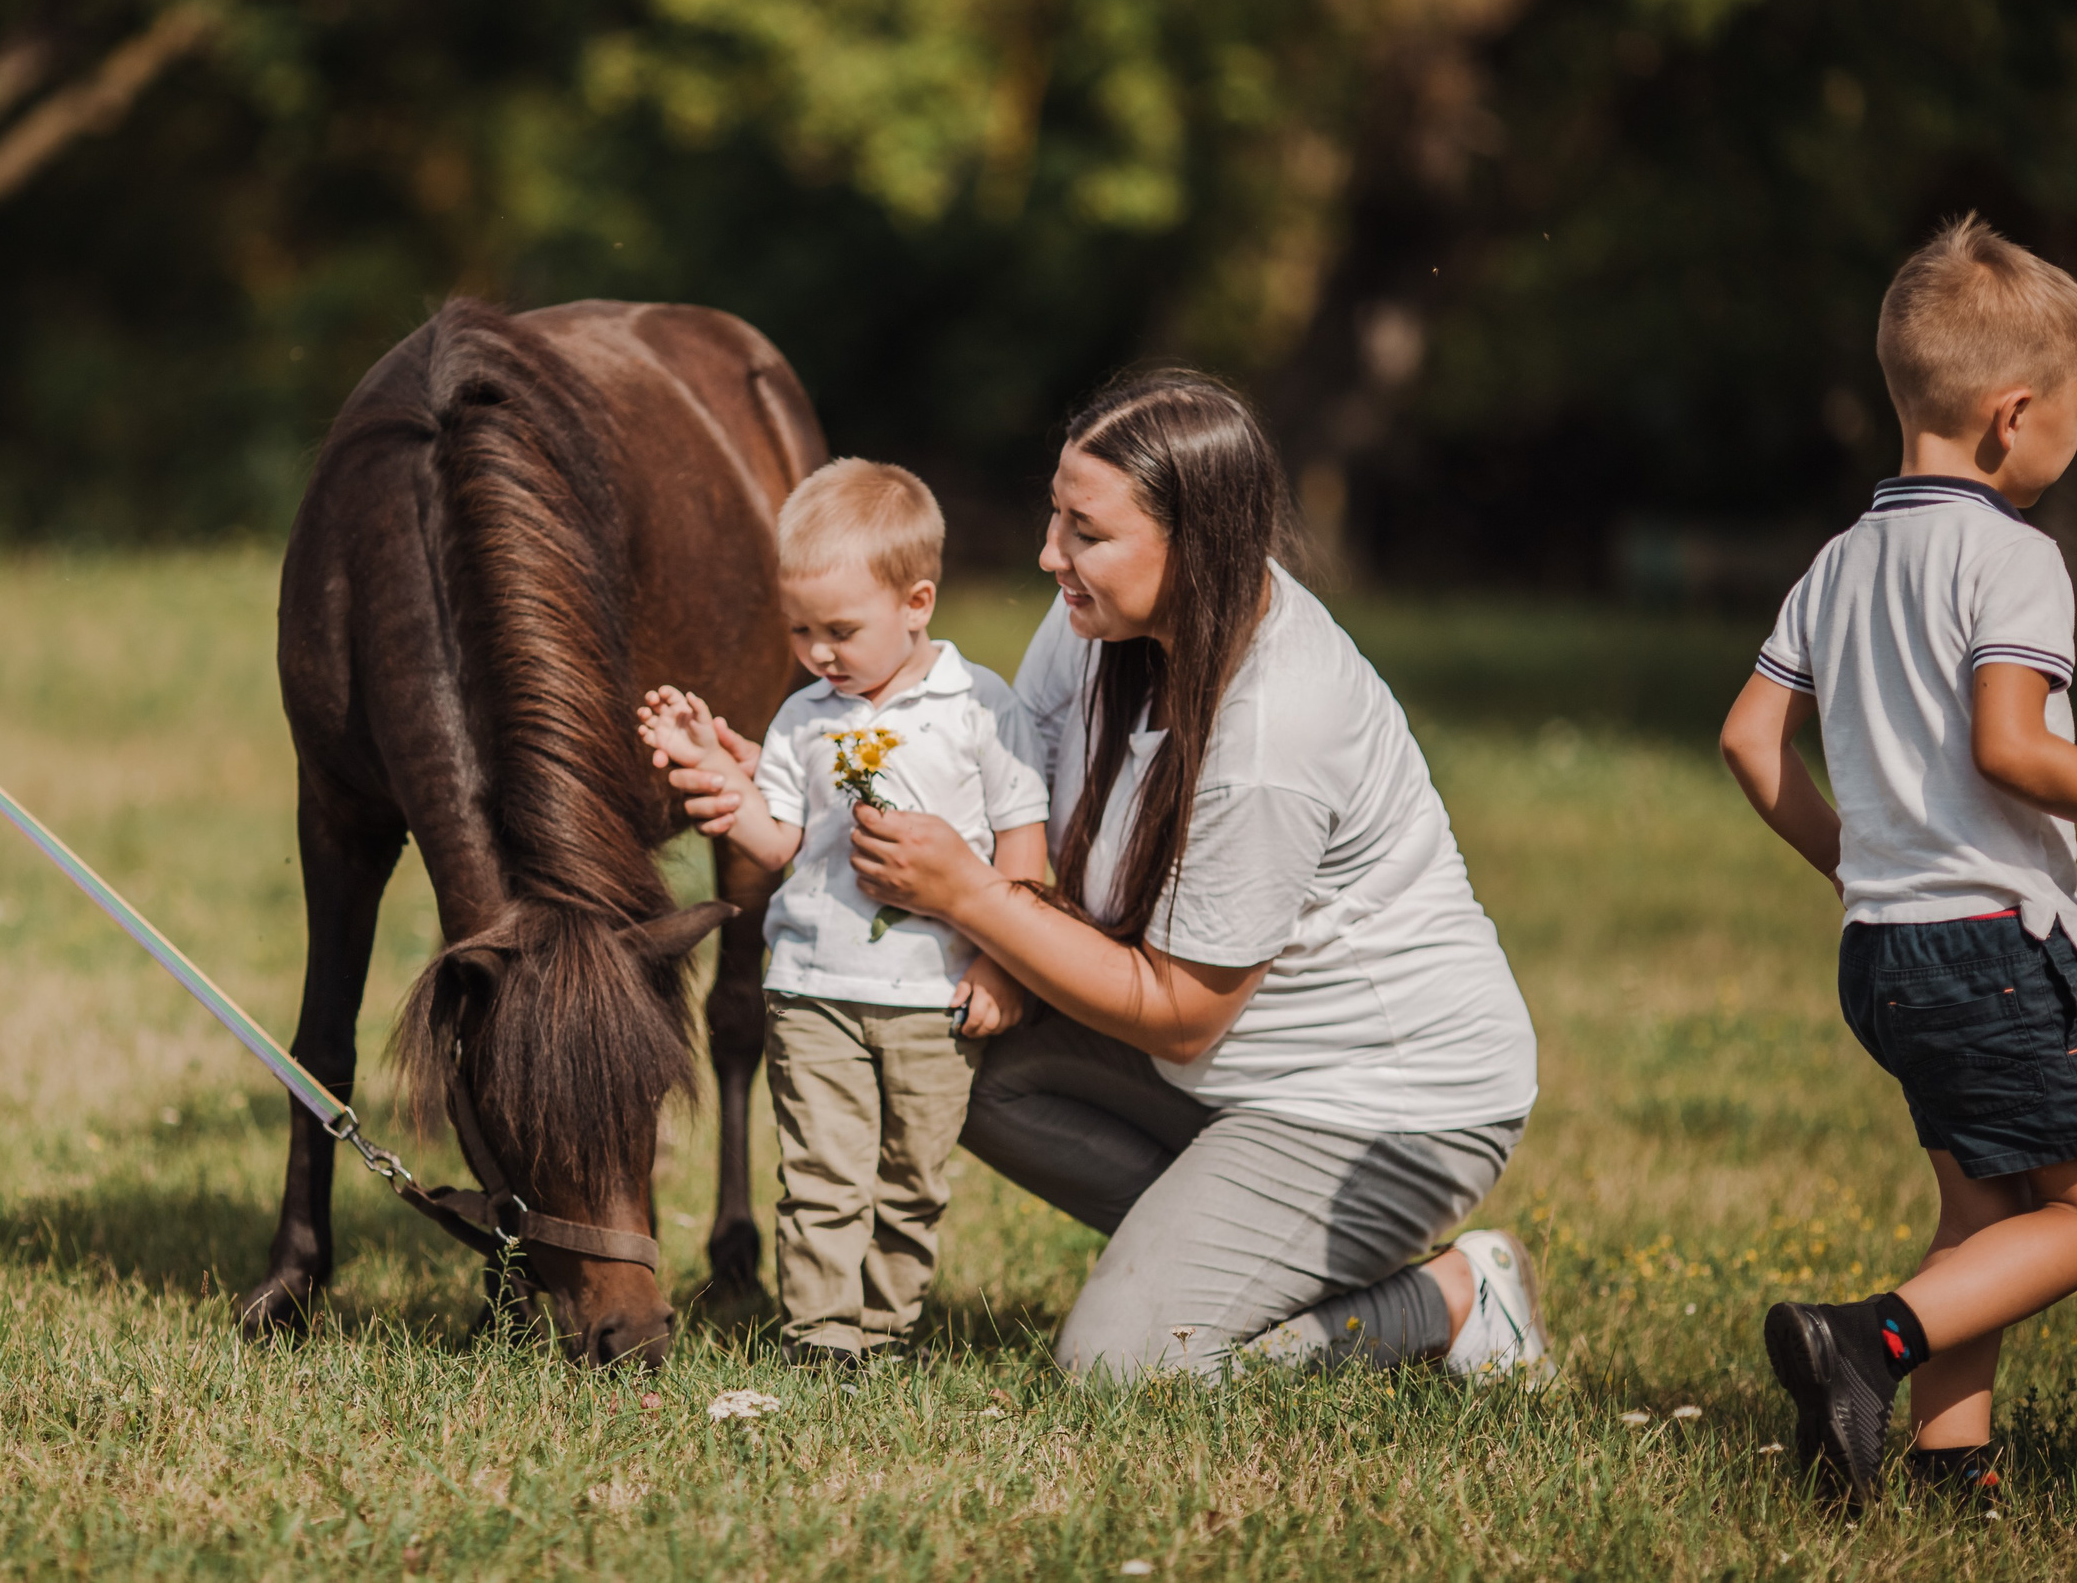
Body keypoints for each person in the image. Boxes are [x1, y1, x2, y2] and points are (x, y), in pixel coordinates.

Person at [669, 374, 1547, 1384]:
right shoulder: (1093, 625)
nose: (1050, 554)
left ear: (1197, 544)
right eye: (1055, 515)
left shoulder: (1274, 728)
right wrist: (801, 786)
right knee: (926, 1031)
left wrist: (971, 900)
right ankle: (1227, 1254)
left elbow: (1181, 1015)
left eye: (1084, 531)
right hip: (1220, 1079)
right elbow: (990, 805)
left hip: (1375, 1105)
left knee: (1122, 1366)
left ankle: (1456, 1298)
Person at [1722, 214, 2077, 1506]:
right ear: (2012, 414)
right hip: (1992, 947)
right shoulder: (2014, 557)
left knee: (1984, 1212)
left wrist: (1853, 860)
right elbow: (2011, 746)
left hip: (1885, 951)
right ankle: (1868, 1339)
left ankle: (1948, 1463)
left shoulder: (1841, 559)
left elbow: (1748, 737)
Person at [639, 459, 1048, 1363]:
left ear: (917, 602)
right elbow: (777, 840)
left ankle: (886, 1327)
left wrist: (1005, 961)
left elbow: (1023, 837)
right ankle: (822, 1337)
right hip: (814, 987)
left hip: (933, 997)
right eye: (800, 629)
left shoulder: (981, 706)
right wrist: (716, 772)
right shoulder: (802, 718)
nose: (819, 651)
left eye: (841, 630)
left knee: (910, 1180)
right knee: (821, 1174)